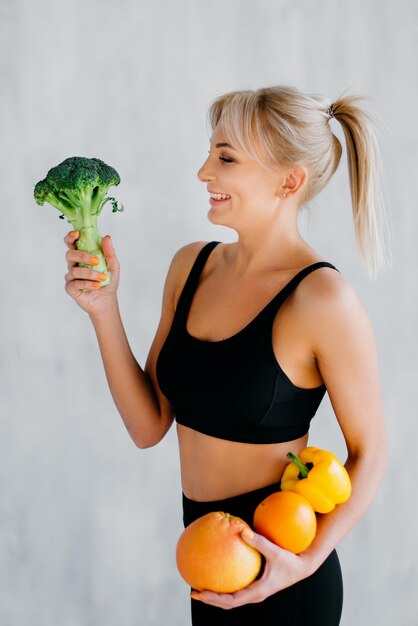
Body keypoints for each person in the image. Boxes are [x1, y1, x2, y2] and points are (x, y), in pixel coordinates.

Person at [63, 85, 391, 625]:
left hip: (284, 578)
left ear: (290, 181)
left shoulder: (323, 299)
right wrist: (103, 310)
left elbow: (371, 453)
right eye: (211, 152)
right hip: (208, 566)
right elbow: (149, 426)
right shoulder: (191, 266)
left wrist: (301, 564)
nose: (203, 173)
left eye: (226, 158)